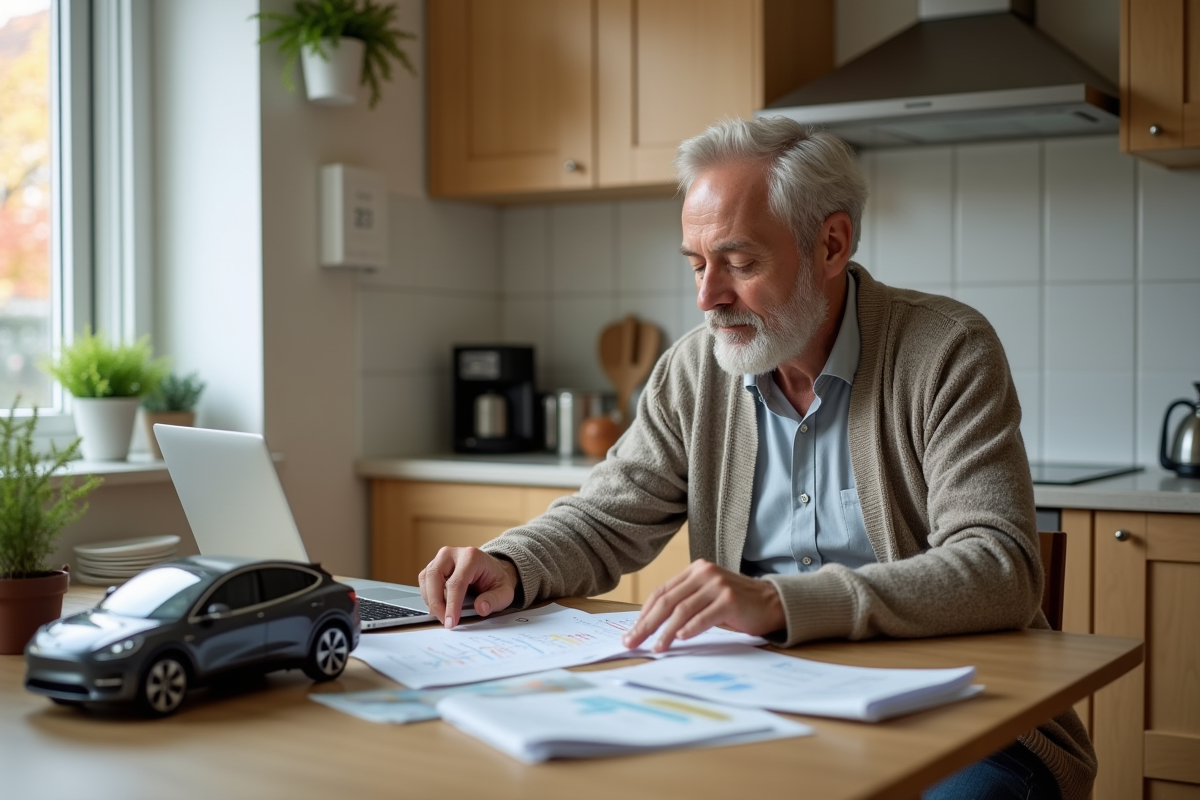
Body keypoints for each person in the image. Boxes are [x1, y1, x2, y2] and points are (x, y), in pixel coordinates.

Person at [418, 117, 1094, 800]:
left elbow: (999, 568)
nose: (707, 296)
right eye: (696, 264)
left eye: (739, 264)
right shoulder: (693, 369)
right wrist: (512, 563)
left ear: (831, 244)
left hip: (960, 718)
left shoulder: (946, 349)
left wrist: (776, 603)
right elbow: (605, 519)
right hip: (756, 705)